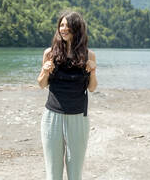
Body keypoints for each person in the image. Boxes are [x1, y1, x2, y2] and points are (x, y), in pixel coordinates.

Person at [37, 9, 98, 180]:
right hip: (52, 117)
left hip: (78, 117)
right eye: (61, 25)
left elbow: (92, 88)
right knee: (53, 171)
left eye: (67, 25)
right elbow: (41, 84)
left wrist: (93, 71)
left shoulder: (89, 55)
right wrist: (44, 70)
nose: (63, 29)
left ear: (76, 29)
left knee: (75, 172)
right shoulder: (49, 53)